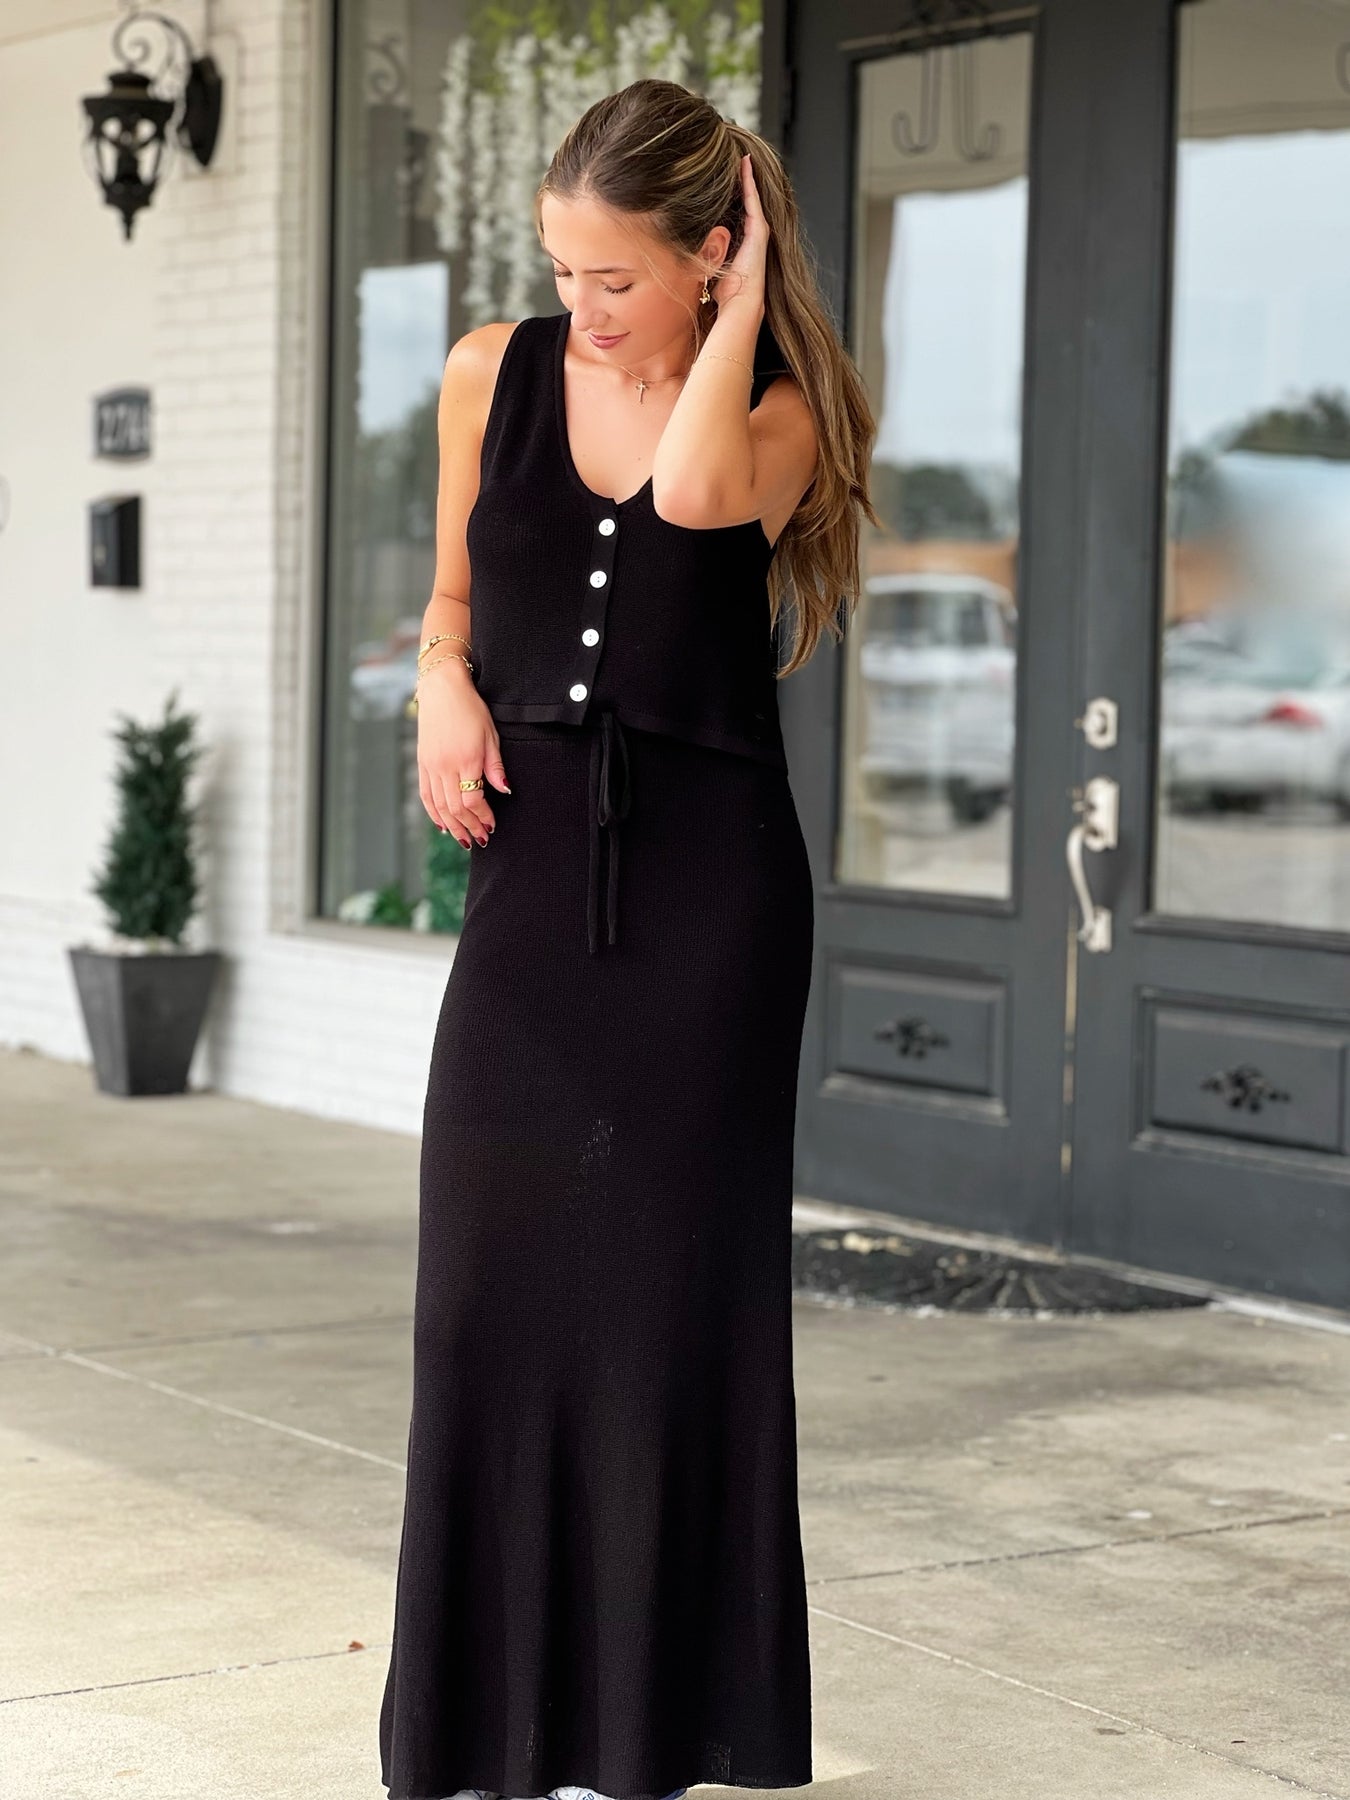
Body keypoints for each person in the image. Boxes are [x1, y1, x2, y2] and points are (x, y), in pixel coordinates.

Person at [379, 75, 878, 1800]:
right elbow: (454, 593)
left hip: (707, 904)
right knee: (483, 1296)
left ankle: (650, 1733)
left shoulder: (776, 416)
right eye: (560, 272)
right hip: (528, 882)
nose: (581, 308)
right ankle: (485, 1726)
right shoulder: (486, 373)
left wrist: (734, 325)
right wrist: (441, 685)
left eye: (618, 277)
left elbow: (686, 505)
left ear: (709, 255)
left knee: (669, 1306)